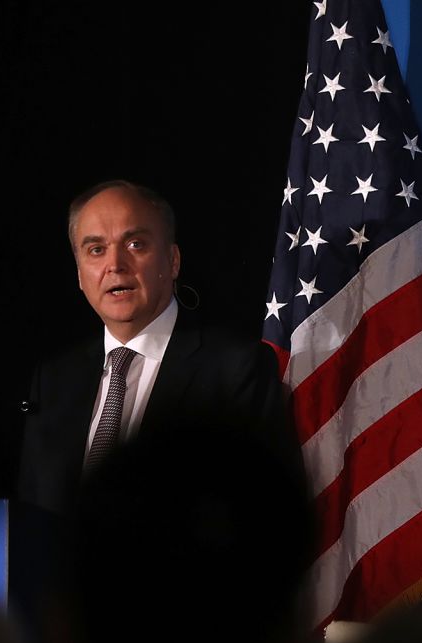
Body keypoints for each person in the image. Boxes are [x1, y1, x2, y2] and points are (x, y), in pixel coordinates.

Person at [16, 179, 293, 518]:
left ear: (172, 261)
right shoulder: (55, 380)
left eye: (135, 244)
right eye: (96, 249)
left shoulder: (236, 369)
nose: (115, 264)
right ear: (79, 274)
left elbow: (258, 512)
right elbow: (31, 514)